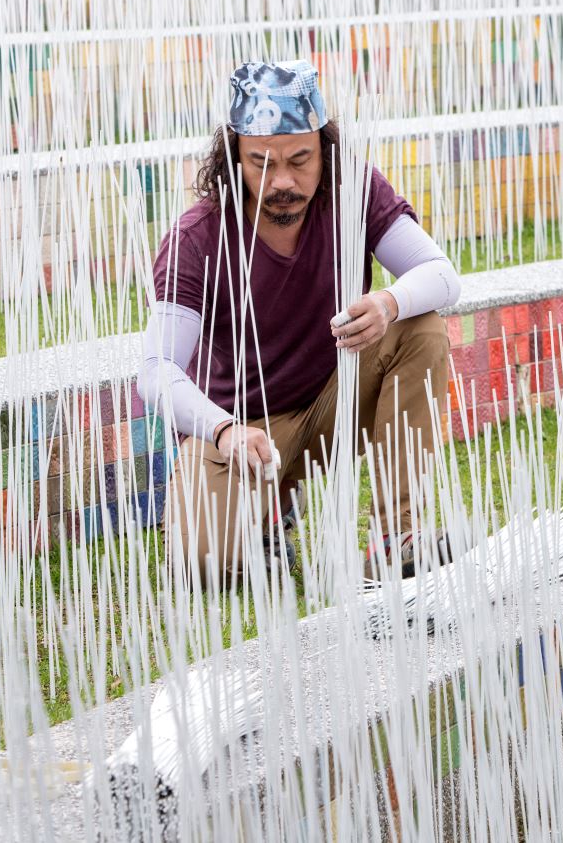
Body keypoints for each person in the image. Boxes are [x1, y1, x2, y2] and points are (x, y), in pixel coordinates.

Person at [137, 59, 461, 586]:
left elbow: (442, 275)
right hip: (241, 430)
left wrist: (385, 304)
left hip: (336, 399)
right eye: (260, 162)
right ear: (233, 158)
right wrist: (223, 432)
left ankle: (398, 537)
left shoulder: (353, 189)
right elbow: (157, 370)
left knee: (418, 324)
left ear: (326, 152)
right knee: (201, 564)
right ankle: (269, 515)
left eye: (300, 160)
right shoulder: (197, 237)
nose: (281, 181)